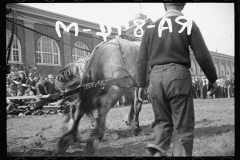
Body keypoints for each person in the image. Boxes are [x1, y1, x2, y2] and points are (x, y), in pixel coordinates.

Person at [136, 3, 218, 156]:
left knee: (162, 122)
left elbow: (141, 60)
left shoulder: (150, 28)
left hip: (155, 79)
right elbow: (203, 56)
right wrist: (213, 79)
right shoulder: (188, 24)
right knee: (182, 126)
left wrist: (141, 85)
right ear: (183, 5)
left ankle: (157, 148)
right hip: (178, 77)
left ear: (165, 6)